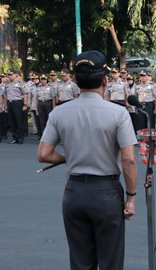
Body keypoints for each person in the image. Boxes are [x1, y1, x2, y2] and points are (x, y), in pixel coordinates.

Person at [37, 50, 137, 270]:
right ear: (105, 80)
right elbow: (128, 160)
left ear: (75, 80)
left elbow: (43, 155)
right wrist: (131, 197)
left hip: (73, 192)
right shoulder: (118, 113)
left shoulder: (59, 112)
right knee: (110, 260)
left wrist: (67, 157)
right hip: (106, 192)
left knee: (81, 261)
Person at [5, 69, 29, 144]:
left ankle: (20, 138)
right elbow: (6, 95)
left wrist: (25, 104)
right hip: (10, 102)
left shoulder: (20, 83)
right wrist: (5, 105)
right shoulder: (7, 84)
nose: (9, 76)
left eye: (11, 74)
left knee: (19, 121)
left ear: (16, 75)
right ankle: (14, 137)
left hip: (17, 102)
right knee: (11, 121)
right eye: (8, 74)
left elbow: (25, 93)